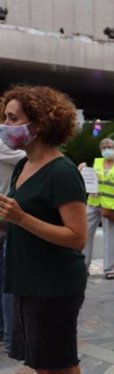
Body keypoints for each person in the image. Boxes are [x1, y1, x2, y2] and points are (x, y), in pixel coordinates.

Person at [1, 85, 88, 374]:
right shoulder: (22, 165)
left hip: (55, 285)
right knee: (43, 368)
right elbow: (14, 222)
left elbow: (76, 237)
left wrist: (21, 217)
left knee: (63, 369)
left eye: (12, 118)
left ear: (38, 124)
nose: (5, 125)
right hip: (27, 279)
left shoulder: (63, 172)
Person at [78, 138, 114, 279]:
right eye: (104, 147)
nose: (107, 149)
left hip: (111, 205)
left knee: (110, 236)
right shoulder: (97, 162)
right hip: (93, 203)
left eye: (110, 146)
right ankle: (83, 266)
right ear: (100, 150)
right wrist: (82, 168)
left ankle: (109, 269)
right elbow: (88, 178)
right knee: (86, 234)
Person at [0, 139, 24, 353]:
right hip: (6, 218)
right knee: (8, 279)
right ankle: (10, 337)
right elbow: (32, 155)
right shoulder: (4, 145)